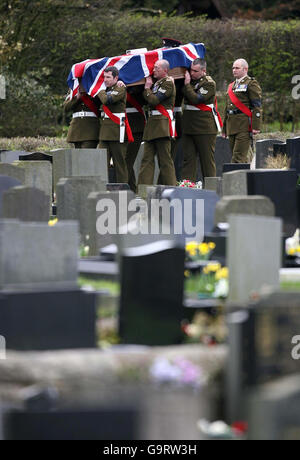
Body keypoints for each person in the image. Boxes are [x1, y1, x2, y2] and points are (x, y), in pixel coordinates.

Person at [137, 59, 177, 186]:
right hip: (152, 125)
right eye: (154, 67)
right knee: (146, 159)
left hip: (162, 125)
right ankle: (143, 189)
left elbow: (154, 101)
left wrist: (147, 89)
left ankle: (171, 188)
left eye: (157, 68)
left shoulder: (168, 84)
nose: (154, 70)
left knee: (165, 160)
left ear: (165, 70)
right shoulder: (157, 84)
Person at [181, 58, 220, 182]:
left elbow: (196, 99)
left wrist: (187, 85)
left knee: (207, 161)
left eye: (195, 71)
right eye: (191, 70)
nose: (192, 73)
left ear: (204, 71)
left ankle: (211, 189)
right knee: (188, 160)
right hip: (189, 126)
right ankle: (187, 187)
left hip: (204, 128)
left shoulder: (209, 83)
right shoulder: (190, 81)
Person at [223, 58, 262, 163]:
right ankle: (245, 179)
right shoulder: (231, 86)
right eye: (233, 68)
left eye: (237, 68)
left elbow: (256, 106)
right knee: (239, 157)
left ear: (245, 69)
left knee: (237, 158)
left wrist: (256, 126)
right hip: (231, 126)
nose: (234, 70)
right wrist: (224, 128)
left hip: (244, 126)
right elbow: (227, 108)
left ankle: (232, 179)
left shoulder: (251, 84)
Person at [97, 66, 133, 184]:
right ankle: (101, 187)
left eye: (108, 77)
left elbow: (108, 100)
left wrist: (100, 90)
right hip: (105, 132)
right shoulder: (106, 89)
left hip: (117, 131)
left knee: (120, 163)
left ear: (116, 78)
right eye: (104, 77)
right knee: (101, 162)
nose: (105, 80)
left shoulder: (120, 88)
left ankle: (122, 188)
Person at [64, 78, 100, 148]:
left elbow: (101, 102)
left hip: (91, 128)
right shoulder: (73, 88)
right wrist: (77, 98)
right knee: (78, 157)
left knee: (87, 156)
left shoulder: (95, 86)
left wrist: (88, 93)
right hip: (76, 127)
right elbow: (66, 108)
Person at [125, 85, 146, 193]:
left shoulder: (137, 87)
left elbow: (142, 97)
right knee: (125, 161)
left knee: (128, 160)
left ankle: (128, 188)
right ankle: (132, 188)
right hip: (121, 125)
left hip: (136, 127)